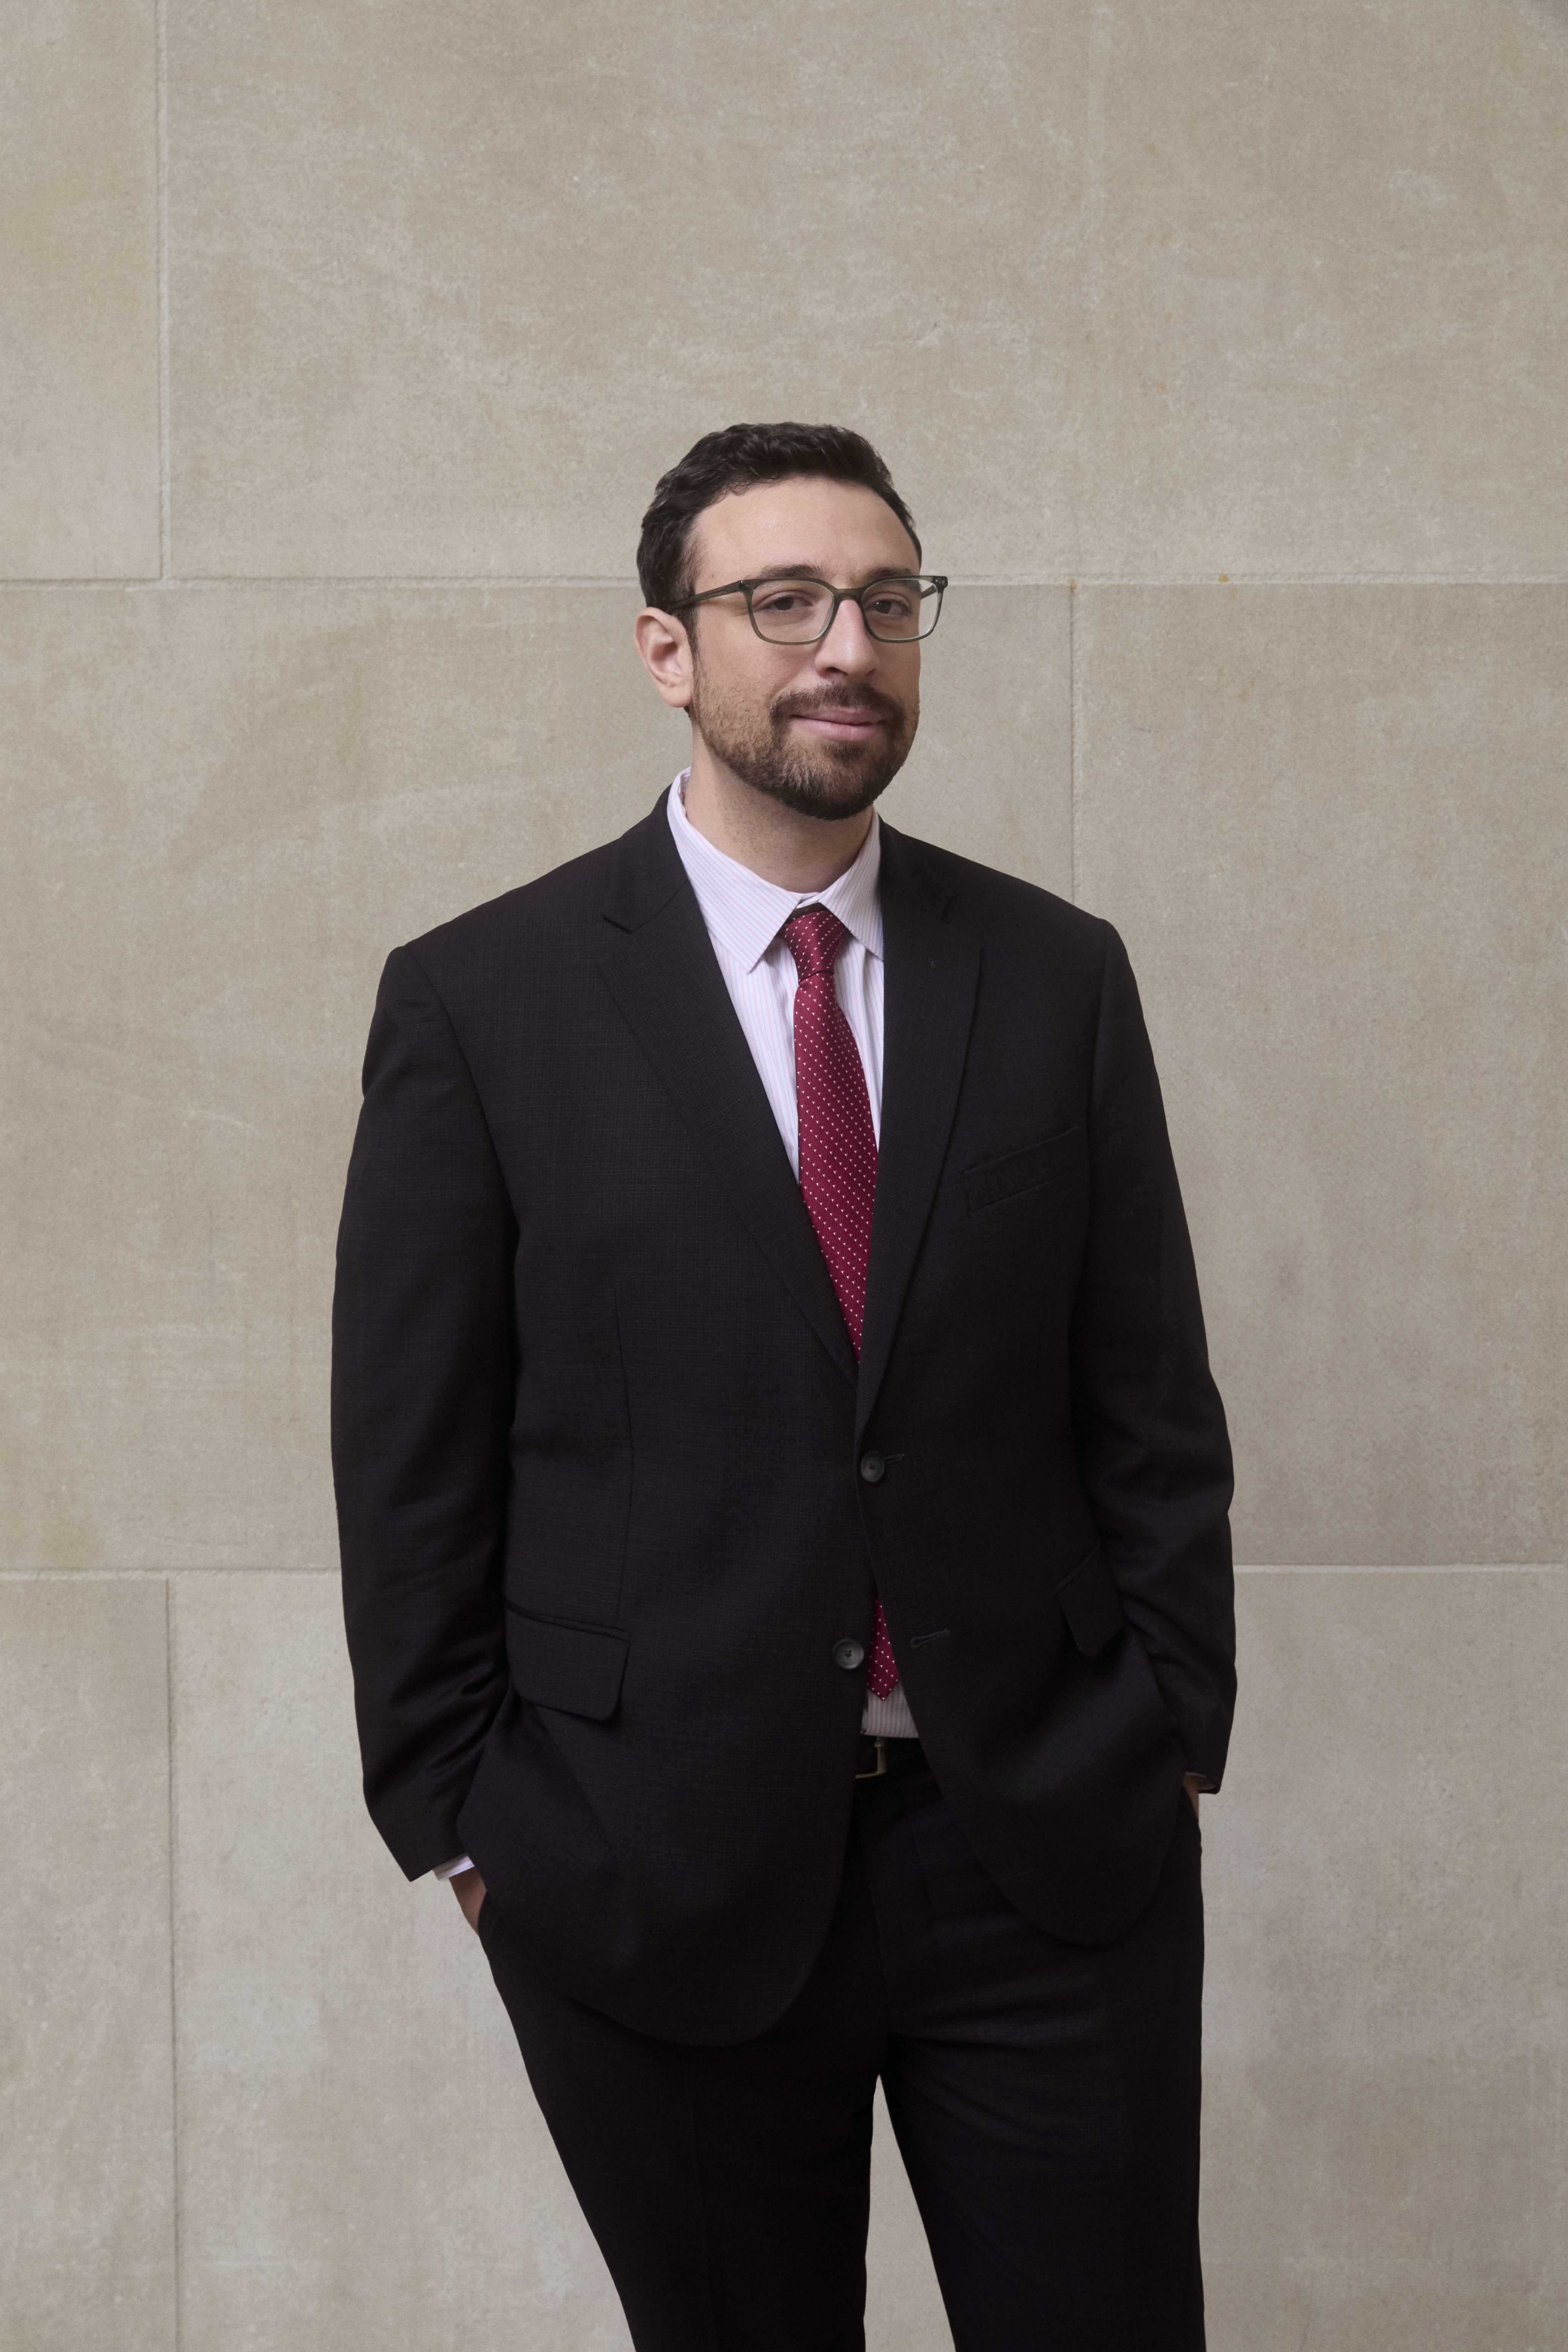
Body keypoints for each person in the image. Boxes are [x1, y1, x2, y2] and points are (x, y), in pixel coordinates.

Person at [332, 421, 1235, 2352]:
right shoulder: (482, 1003)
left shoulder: (1056, 976)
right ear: (669, 647)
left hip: (1044, 1854)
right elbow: (410, 1469)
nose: (847, 643)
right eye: (785, 601)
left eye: (887, 600)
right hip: (646, 1872)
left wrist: (1164, 1726)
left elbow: (1147, 1401)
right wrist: (474, 1833)